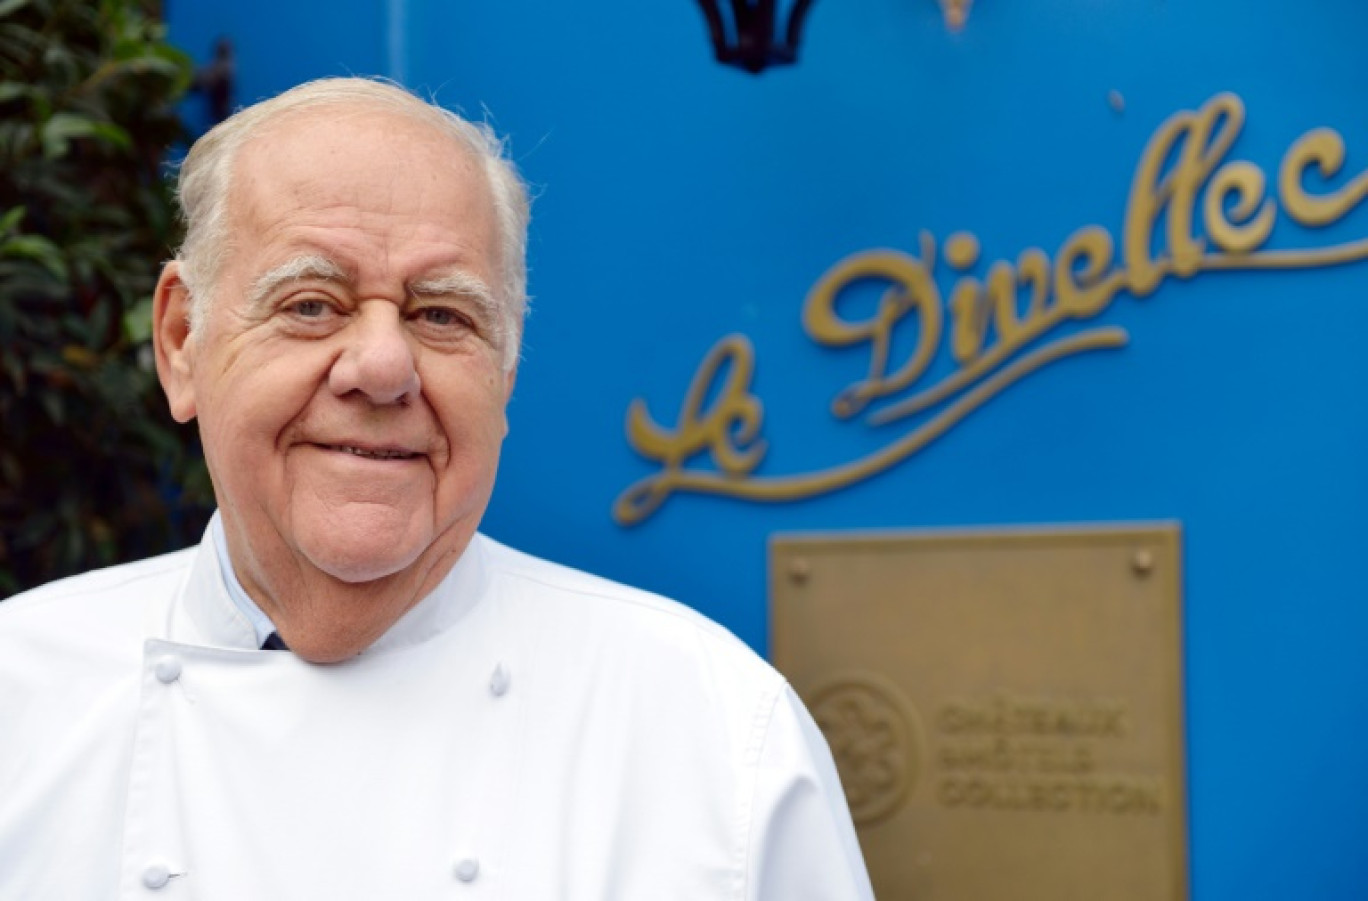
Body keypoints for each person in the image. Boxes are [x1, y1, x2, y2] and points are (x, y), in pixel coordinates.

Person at [0, 78, 874, 898]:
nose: (382, 367)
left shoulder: (714, 727)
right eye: (312, 303)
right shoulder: (21, 698)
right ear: (183, 340)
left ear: (507, 368)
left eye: (442, 315)